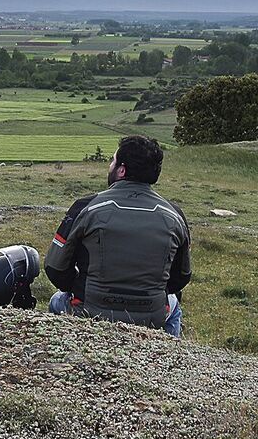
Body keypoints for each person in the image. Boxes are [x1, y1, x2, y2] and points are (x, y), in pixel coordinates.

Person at [45, 135, 191, 337]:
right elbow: (181, 277)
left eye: (112, 161)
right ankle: (170, 355)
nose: (110, 165)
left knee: (56, 301)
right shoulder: (175, 215)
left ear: (121, 170)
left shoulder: (85, 207)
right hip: (152, 316)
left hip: (89, 310)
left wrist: (81, 288)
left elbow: (55, 268)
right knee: (173, 307)